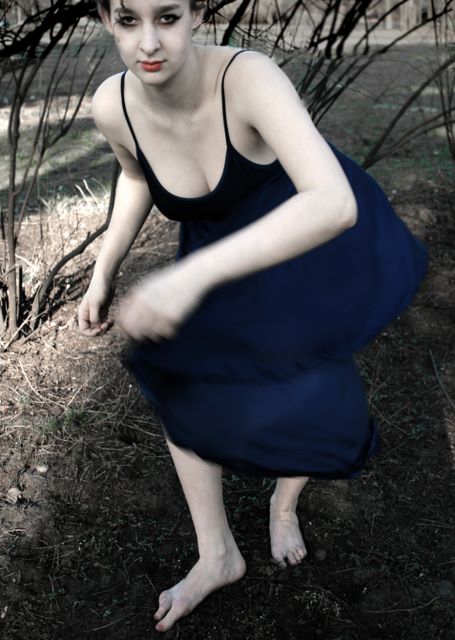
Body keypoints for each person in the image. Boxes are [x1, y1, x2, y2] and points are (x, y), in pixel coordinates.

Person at [78, 0, 429, 632]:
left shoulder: (248, 78)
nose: (148, 42)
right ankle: (217, 554)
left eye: (168, 17)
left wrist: (188, 278)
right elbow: (136, 175)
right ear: (107, 18)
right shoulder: (113, 105)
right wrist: (104, 270)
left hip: (298, 237)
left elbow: (332, 202)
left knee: (308, 393)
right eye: (129, 20)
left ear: (197, 12)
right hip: (215, 248)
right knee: (179, 374)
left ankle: (284, 504)